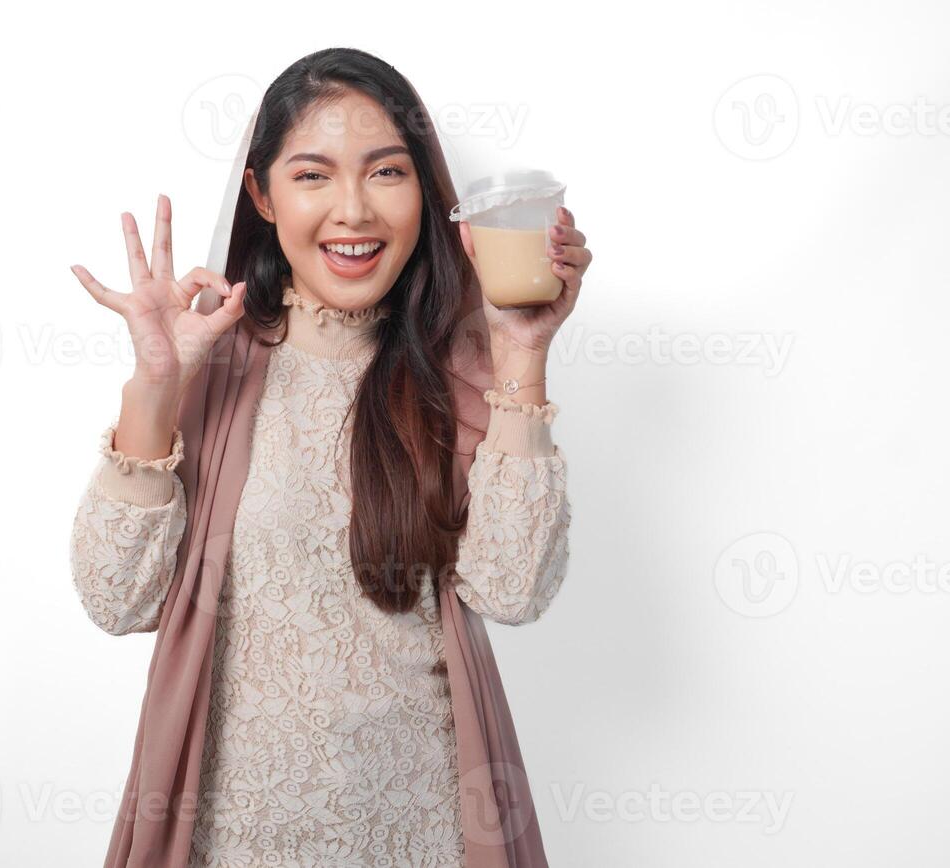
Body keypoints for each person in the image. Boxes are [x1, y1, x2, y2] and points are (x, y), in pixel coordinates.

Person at [68, 47, 593, 867]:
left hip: (423, 837)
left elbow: (514, 590)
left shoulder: (457, 372)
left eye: (386, 172)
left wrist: (522, 357)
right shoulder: (212, 363)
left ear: (426, 192)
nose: (354, 212)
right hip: (232, 843)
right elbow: (115, 599)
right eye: (313, 176)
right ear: (262, 197)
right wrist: (155, 388)